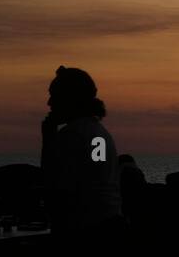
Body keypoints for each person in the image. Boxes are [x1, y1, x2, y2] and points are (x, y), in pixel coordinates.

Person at [40, 65, 122, 234]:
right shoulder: (98, 132)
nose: (49, 102)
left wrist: (48, 139)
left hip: (84, 229)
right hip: (108, 223)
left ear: (70, 98)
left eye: (54, 96)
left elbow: (54, 182)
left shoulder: (72, 135)